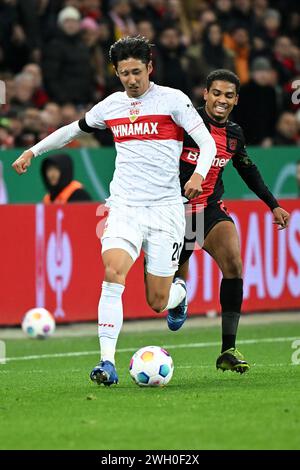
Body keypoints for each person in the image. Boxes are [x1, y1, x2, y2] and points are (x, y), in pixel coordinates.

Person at [12, 37, 217, 386]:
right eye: (124, 74)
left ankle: (179, 294)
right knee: (113, 273)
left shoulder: (173, 101)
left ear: (149, 68)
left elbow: (207, 143)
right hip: (123, 207)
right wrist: (34, 150)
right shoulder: (111, 106)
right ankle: (107, 363)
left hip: (165, 209)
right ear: (117, 73)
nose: (132, 80)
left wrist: (199, 174)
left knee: (157, 301)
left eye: (137, 72)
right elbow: (71, 131)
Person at [168, 69, 290, 374]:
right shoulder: (184, 124)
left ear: (236, 100)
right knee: (175, 275)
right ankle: (178, 295)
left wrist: (273, 205)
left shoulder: (234, 134)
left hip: (208, 208)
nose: (222, 100)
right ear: (205, 94)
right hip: (175, 210)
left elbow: (248, 169)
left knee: (234, 264)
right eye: (217, 93)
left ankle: (228, 350)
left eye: (229, 95)